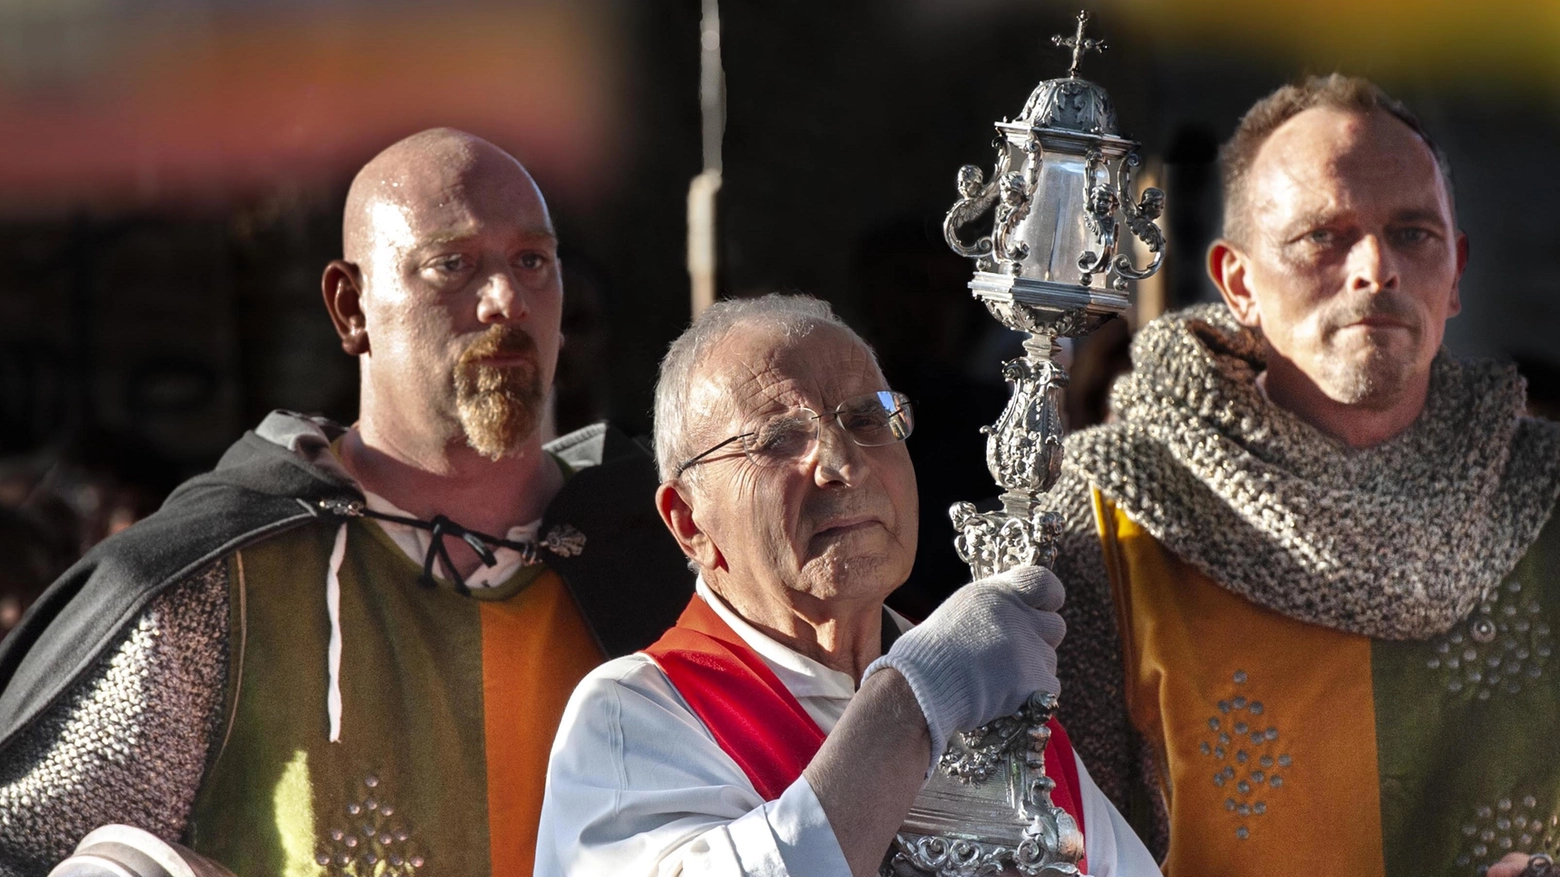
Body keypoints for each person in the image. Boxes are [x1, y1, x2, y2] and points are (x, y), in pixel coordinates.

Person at [0, 129, 692, 877]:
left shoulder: (664, 550)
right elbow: (21, 849)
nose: (506, 301)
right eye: (452, 266)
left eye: (533, 261)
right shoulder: (217, 584)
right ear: (350, 306)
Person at [1045, 74, 1560, 877]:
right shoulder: (1111, 516)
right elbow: (1053, 843)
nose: (1376, 269)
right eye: (1323, 236)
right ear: (1239, 282)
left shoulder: (1549, 494)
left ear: (1456, 273)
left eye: (1414, 234)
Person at [535, 294, 1159, 876]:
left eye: (868, 418)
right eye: (780, 438)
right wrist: (915, 699)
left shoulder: (989, 690)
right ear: (689, 521)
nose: (844, 462)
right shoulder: (634, 713)